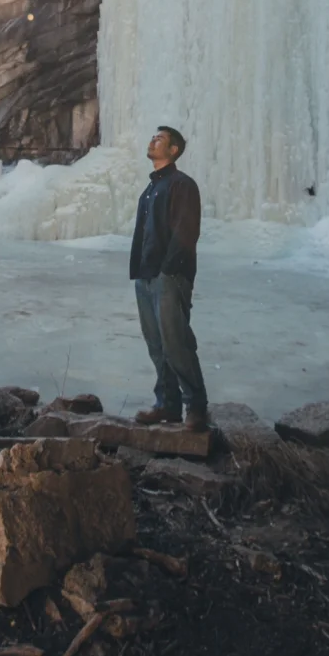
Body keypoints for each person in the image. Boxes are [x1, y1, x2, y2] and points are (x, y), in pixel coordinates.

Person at [129, 124, 208, 431]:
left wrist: (168, 270)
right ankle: (167, 405)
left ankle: (196, 407)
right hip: (146, 276)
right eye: (153, 136)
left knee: (176, 342)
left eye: (159, 138)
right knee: (156, 345)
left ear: (173, 150)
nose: (152, 140)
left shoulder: (182, 184)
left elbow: (186, 232)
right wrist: (139, 272)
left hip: (169, 276)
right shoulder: (149, 191)